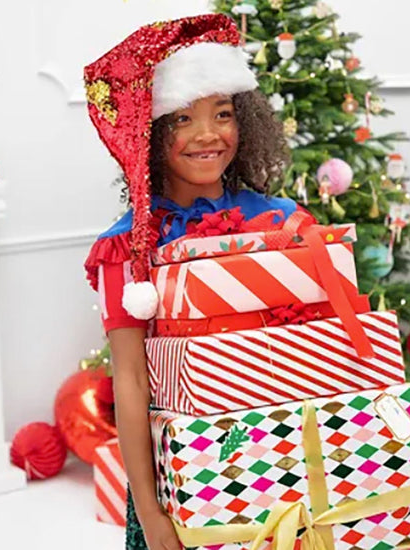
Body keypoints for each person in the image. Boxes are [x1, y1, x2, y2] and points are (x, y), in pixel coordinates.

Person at [84, 14, 306, 550]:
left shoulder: (283, 223)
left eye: (223, 114)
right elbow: (131, 383)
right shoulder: (126, 249)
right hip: (184, 477)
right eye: (182, 119)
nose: (208, 134)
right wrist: (149, 510)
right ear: (151, 133)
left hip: (286, 465)